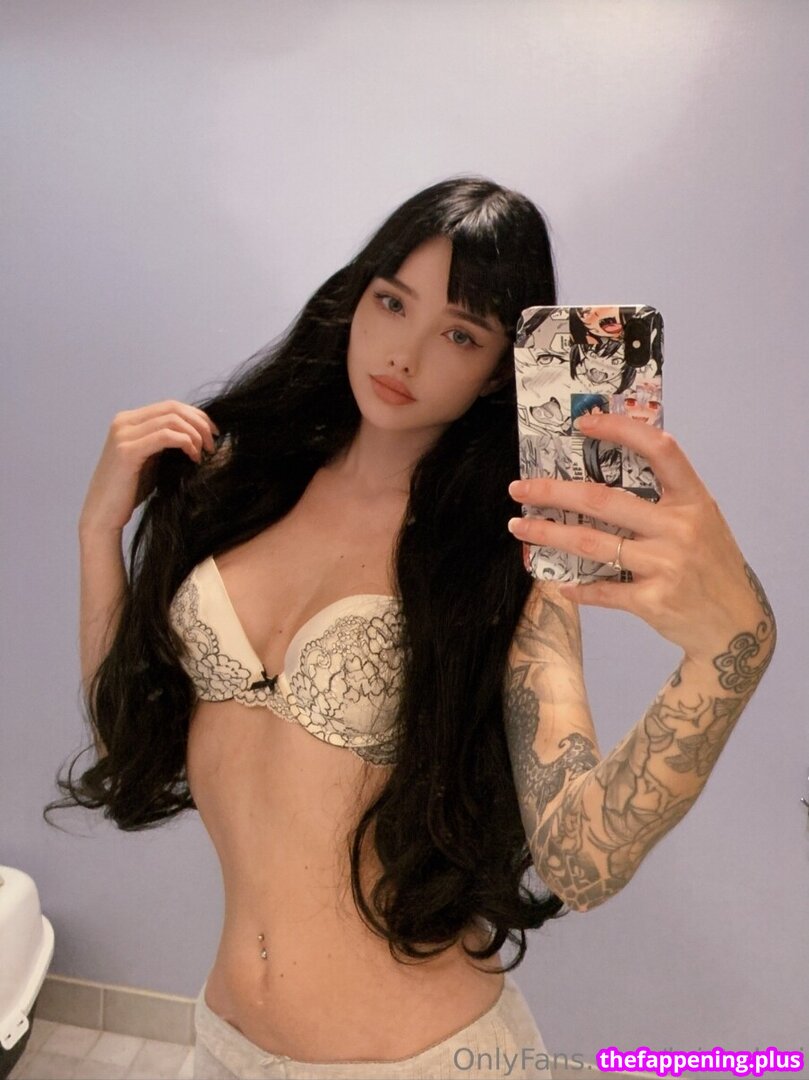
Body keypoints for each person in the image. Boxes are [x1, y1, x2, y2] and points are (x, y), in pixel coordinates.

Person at [46, 177, 776, 1080]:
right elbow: (127, 739)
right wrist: (97, 534)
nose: (406, 353)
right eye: (393, 302)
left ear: (499, 369)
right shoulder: (238, 483)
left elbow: (581, 859)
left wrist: (729, 654)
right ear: (357, 296)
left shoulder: (502, 562)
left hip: (422, 1060)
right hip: (222, 1044)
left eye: (459, 334)